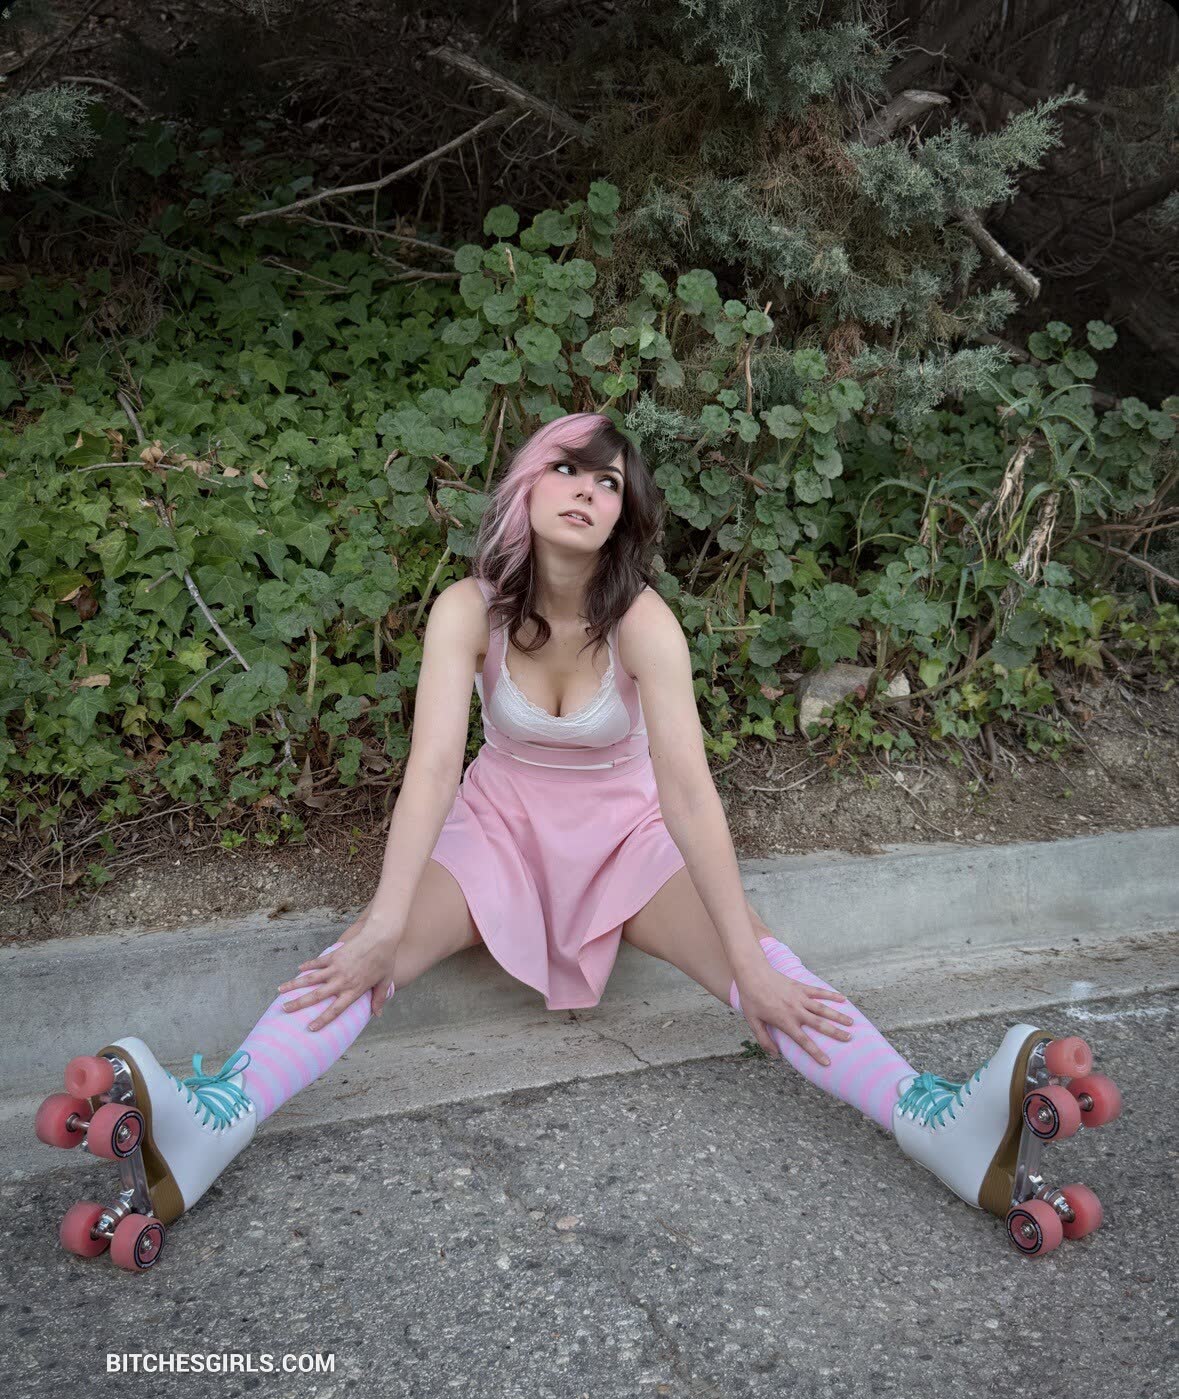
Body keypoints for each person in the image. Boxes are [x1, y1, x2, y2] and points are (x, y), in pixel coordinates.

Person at [40, 412, 1118, 1269]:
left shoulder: (644, 620)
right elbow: (431, 770)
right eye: (567, 468)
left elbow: (687, 791)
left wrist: (744, 953)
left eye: (609, 482)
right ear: (526, 486)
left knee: (762, 968)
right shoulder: (464, 610)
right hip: (498, 828)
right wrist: (380, 919)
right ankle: (213, 1119)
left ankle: (937, 1120)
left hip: (626, 834)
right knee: (363, 959)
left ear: (622, 514)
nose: (588, 490)